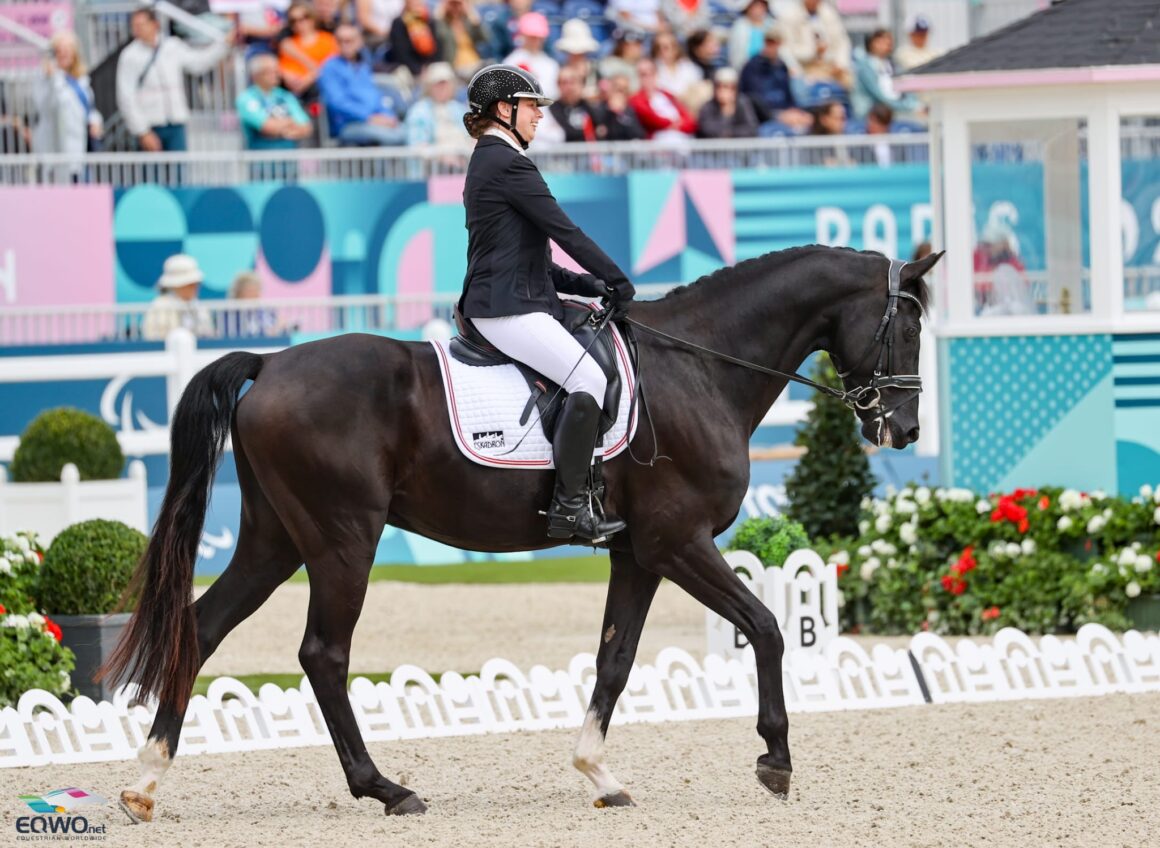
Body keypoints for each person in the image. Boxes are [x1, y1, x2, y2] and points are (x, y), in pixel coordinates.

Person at [458, 64, 635, 543]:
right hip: (505, 309)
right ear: (504, 109)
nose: (538, 115)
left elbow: (526, 257)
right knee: (589, 378)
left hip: (509, 296)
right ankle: (570, 509)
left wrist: (587, 284)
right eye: (532, 106)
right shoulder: (507, 162)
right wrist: (617, 279)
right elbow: (566, 232)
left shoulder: (490, 159)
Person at [116, 8, 233, 152]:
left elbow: (198, 63)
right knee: (152, 173)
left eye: (141, 25)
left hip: (176, 122)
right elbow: (126, 96)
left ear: (155, 24)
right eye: (134, 26)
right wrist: (142, 131)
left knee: (178, 172)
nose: (137, 30)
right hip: (150, 124)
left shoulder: (171, 46)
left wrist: (224, 45)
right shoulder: (129, 55)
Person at [319, 25, 407, 145]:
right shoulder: (330, 67)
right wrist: (369, 117)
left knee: (407, 131)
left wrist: (388, 116)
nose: (345, 45)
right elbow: (337, 103)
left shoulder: (363, 67)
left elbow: (375, 97)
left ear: (359, 42)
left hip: (373, 120)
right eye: (340, 41)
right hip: (348, 125)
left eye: (349, 41)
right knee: (393, 136)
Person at [33, 31, 102, 181]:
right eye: (60, 50)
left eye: (68, 50)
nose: (64, 54)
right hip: (55, 149)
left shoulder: (81, 80)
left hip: (80, 148)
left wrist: (95, 121)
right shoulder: (45, 78)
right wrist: (51, 79)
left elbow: (89, 108)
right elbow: (45, 107)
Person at [739, 24, 811, 129]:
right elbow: (753, 99)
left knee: (809, 120)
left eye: (775, 42)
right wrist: (777, 115)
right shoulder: (752, 66)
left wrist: (794, 110)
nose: (771, 46)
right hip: (765, 116)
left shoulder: (782, 66)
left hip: (785, 112)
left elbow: (788, 95)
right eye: (769, 42)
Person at [237, 53, 313, 150]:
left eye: (277, 71)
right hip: (260, 161)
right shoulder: (246, 98)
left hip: (289, 160)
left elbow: (306, 128)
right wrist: (291, 123)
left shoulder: (286, 96)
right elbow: (267, 127)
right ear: (256, 75)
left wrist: (279, 128)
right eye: (270, 71)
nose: (276, 75)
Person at [775, 0, 851, 87]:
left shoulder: (829, 13)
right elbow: (785, 48)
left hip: (831, 66)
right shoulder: (789, 15)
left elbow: (842, 42)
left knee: (849, 80)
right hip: (805, 67)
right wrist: (814, 51)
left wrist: (840, 64)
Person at [851, 28, 921, 120]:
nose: (887, 43)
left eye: (889, 40)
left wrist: (913, 104)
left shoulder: (895, 65)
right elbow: (879, 96)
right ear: (871, 43)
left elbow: (906, 87)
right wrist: (906, 107)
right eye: (882, 40)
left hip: (896, 110)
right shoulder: (864, 67)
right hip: (873, 113)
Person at [142, 254, 216, 341]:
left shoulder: (199, 307)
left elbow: (209, 335)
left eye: (196, 284)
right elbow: (153, 339)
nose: (195, 288)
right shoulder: (159, 306)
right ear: (175, 286)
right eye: (189, 284)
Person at [405, 61, 471, 147]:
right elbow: (417, 145)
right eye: (438, 84)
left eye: (445, 84)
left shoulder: (460, 109)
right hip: (433, 159)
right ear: (429, 87)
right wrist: (442, 156)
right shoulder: (418, 111)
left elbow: (471, 137)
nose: (442, 88)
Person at [630, 58, 697, 142]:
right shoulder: (636, 99)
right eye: (643, 74)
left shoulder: (667, 95)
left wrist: (677, 126)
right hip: (658, 144)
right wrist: (673, 123)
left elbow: (689, 120)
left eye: (651, 73)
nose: (648, 77)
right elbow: (651, 119)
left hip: (682, 140)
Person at [503, 12, 559, 99]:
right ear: (523, 35)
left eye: (539, 37)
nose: (536, 41)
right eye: (532, 37)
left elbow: (554, 95)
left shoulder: (551, 65)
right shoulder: (510, 62)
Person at [697, 66, 759, 138]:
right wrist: (725, 114)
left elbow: (752, 129)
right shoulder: (707, 107)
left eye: (730, 87)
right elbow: (707, 130)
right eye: (720, 87)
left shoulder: (743, 103)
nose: (724, 91)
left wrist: (730, 133)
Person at [434, 0, 491, 75]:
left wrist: (471, 12)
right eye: (452, 4)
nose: (455, 8)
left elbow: (486, 38)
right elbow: (438, 36)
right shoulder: (443, 24)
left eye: (458, 4)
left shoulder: (468, 22)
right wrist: (442, 10)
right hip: (454, 66)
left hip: (474, 62)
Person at [390, 0, 443, 77]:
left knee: (443, 72)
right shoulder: (399, 23)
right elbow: (401, 53)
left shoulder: (430, 22)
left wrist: (429, 67)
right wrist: (418, 69)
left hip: (429, 67)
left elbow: (437, 49)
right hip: (408, 68)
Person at [651, 30, 702, 106]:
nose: (661, 51)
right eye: (658, 47)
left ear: (675, 48)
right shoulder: (651, 68)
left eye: (666, 47)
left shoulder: (689, 67)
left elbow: (696, 90)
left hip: (687, 107)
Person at [592, 71, 647, 141]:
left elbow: (639, 134)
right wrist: (610, 111)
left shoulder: (630, 110)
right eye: (617, 87)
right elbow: (599, 133)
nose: (620, 92)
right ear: (610, 88)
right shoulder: (599, 108)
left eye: (624, 89)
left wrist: (621, 114)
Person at [222, 271, 280, 337]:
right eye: (250, 291)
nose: (256, 295)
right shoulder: (228, 314)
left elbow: (277, 326)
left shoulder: (265, 311)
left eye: (257, 290)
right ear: (239, 293)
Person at [728, 0, 772, 70]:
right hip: (746, 68)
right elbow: (735, 55)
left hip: (768, 67)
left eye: (761, 7)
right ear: (747, 8)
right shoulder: (739, 26)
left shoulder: (771, 25)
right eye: (755, 7)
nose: (758, 10)